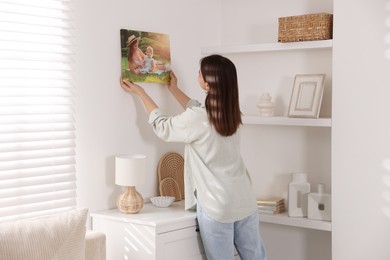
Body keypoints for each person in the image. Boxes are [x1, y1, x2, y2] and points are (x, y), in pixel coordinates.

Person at [120, 54, 267, 260]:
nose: (197, 74)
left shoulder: (199, 118)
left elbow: (163, 126)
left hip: (218, 205)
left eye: (199, 72)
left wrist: (141, 92)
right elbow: (197, 109)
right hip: (244, 200)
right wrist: (174, 90)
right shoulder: (232, 113)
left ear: (207, 84)